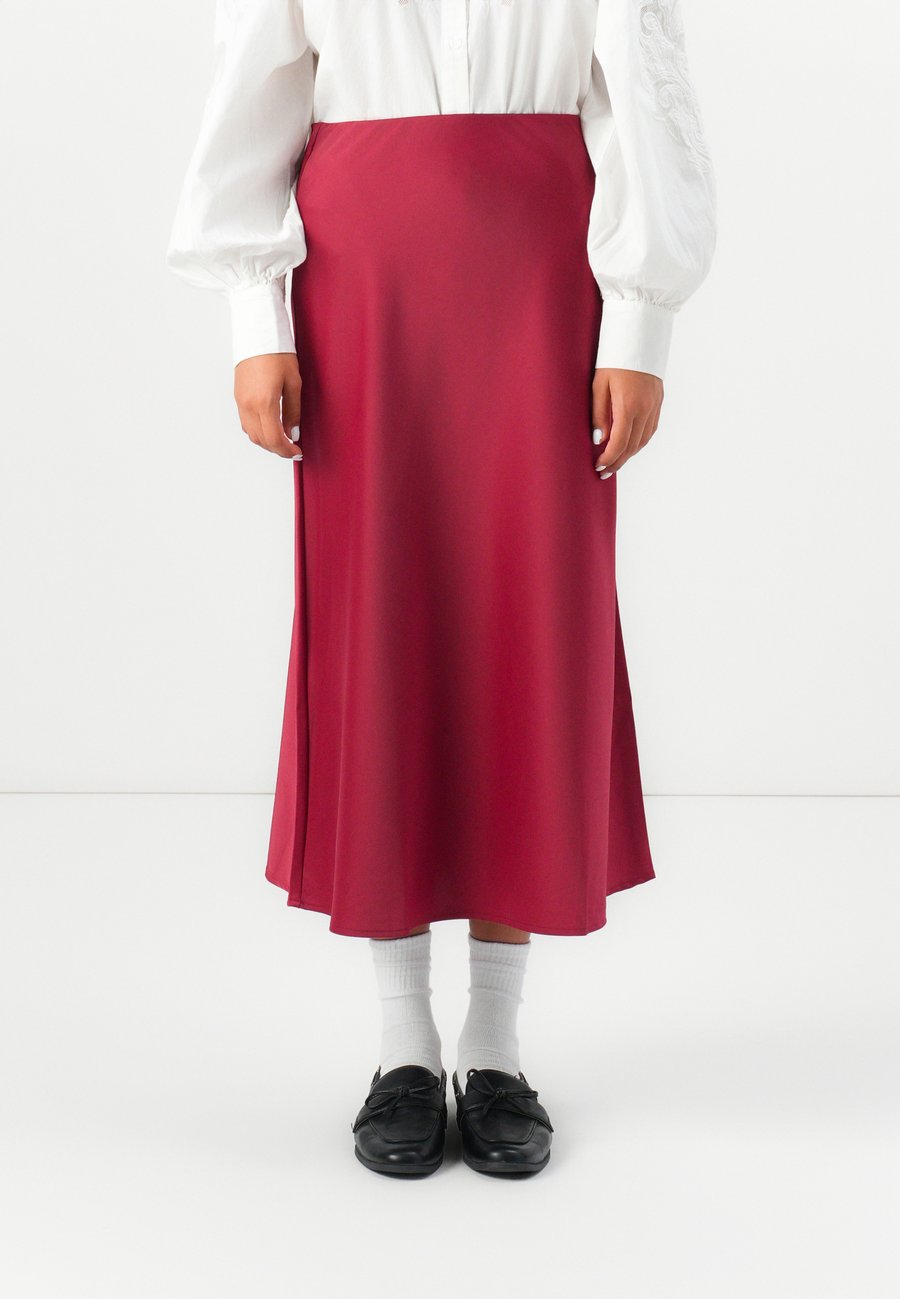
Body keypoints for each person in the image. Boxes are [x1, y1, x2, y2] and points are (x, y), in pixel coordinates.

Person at [166, 0, 716, 1179]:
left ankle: (495, 1045)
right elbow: (254, 90)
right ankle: (403, 1045)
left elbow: (637, 91)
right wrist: (253, 317)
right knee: (384, 628)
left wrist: (640, 324)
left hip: (540, 285)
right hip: (362, 293)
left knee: (531, 625)